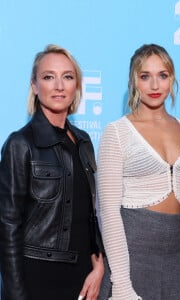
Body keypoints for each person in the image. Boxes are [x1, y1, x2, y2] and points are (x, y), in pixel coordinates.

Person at [0, 44, 105, 300]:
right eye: (48, 77)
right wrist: (15, 295)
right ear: (35, 86)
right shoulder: (20, 144)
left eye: (67, 77)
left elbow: (90, 214)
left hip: (83, 277)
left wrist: (99, 264)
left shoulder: (84, 141)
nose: (59, 86)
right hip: (39, 277)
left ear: (76, 86)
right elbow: (7, 226)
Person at [97, 44, 180, 299]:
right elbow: (107, 210)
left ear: (172, 79)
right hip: (133, 250)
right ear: (134, 81)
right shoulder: (117, 131)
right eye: (145, 76)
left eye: (162, 75)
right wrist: (121, 283)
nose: (154, 85)